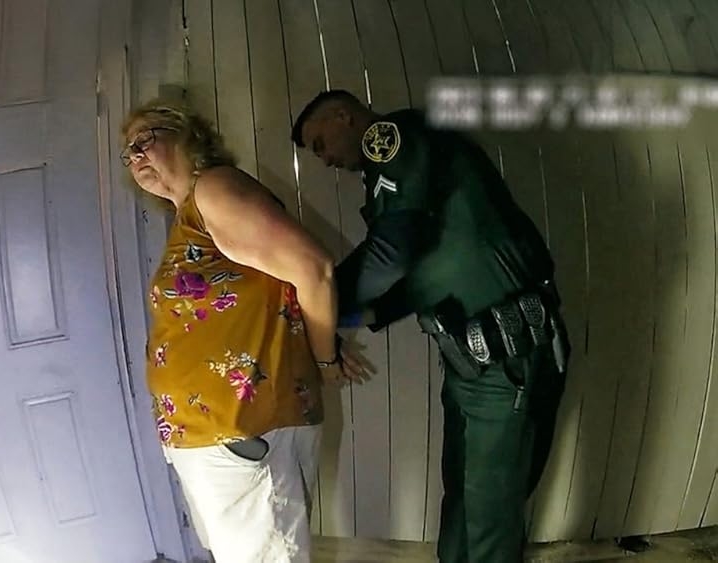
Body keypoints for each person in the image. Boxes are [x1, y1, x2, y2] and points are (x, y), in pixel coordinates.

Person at [291, 89, 570, 563]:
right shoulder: (403, 174)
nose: (325, 160)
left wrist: (321, 302)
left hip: (507, 359)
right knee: (462, 494)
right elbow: (415, 271)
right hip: (473, 363)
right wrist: (352, 316)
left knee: (490, 512)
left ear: (343, 115)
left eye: (321, 144)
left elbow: (392, 252)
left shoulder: (395, 138)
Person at [121, 99, 357, 562]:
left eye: (143, 140)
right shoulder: (189, 214)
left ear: (186, 133)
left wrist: (326, 359)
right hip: (212, 435)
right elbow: (268, 294)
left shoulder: (213, 188)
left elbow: (313, 270)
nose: (135, 156)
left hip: (240, 431)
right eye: (127, 153)